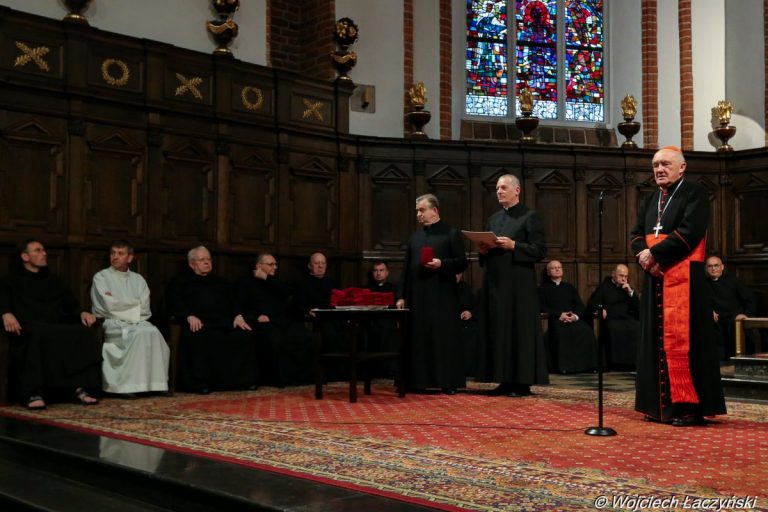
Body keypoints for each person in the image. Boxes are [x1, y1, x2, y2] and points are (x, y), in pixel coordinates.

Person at [630, 145, 726, 426]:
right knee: (654, 340)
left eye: (666, 164)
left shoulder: (695, 192)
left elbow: (689, 233)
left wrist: (654, 254)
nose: (659, 169)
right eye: (656, 165)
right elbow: (636, 234)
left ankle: (687, 408)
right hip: (655, 277)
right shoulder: (651, 198)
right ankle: (658, 407)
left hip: (685, 279)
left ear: (682, 167)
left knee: (688, 342)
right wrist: (645, 258)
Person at [0, 240, 101, 409]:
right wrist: (6, 313)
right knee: (37, 336)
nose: (44, 253)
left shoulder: (54, 281)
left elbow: (71, 305)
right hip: (27, 326)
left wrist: (82, 312)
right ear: (25, 256)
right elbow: (3, 303)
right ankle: (32, 392)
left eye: (44, 250)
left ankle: (78, 388)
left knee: (84, 333)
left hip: (55, 324)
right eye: (38, 250)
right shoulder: (9, 281)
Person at [476, 174, 548, 397]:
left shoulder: (530, 216)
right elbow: (485, 255)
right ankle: (504, 379)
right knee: (500, 330)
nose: (499, 191)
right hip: (496, 283)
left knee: (519, 331)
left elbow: (540, 250)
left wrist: (514, 245)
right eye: (497, 188)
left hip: (519, 285)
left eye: (504, 187)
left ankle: (522, 382)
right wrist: (483, 251)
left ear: (517, 190)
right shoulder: (493, 219)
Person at [396, 193, 467, 394]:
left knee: (443, 339)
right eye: (417, 211)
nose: (418, 214)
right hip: (416, 297)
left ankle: (447, 382)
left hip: (442, 296)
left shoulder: (451, 233)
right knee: (417, 339)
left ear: (434, 210)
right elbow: (405, 269)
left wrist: (441, 264)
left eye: (422, 210)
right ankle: (417, 381)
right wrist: (400, 296)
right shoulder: (415, 237)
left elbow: (462, 262)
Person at [167, 246, 257, 394]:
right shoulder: (181, 282)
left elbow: (233, 300)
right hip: (199, 323)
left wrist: (238, 315)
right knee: (199, 337)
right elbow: (174, 301)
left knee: (243, 334)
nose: (207, 262)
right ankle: (200, 383)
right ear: (192, 264)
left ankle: (241, 381)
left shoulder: (221, 282)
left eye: (208, 259)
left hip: (222, 322)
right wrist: (188, 315)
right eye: (202, 260)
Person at [91, 240, 170, 397]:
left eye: (120, 253)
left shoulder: (138, 280)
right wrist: (133, 305)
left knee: (153, 332)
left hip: (139, 321)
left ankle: (156, 384)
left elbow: (144, 308)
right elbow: (109, 306)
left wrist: (122, 304)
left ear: (130, 258)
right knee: (138, 334)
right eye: (113, 253)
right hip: (111, 323)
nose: (115, 257)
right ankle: (127, 386)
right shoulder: (101, 278)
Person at [237, 253, 315, 386]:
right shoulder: (245, 283)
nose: (275, 267)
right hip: (262, 323)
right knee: (277, 341)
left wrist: (266, 277)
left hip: (282, 321)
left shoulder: (274, 282)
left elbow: (286, 292)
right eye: (271, 264)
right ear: (258, 266)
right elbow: (240, 306)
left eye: (275, 264)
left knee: (309, 338)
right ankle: (281, 379)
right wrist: (256, 317)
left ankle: (303, 378)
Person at [538, 260, 597, 374]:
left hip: (572, 319)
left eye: (559, 267)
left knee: (586, 330)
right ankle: (564, 367)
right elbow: (541, 306)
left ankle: (589, 366)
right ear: (548, 272)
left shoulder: (569, 287)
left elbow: (579, 305)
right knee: (561, 333)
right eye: (554, 268)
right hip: (556, 319)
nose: (557, 269)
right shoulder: (543, 289)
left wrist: (575, 316)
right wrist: (559, 315)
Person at [586, 264, 641, 370]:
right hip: (611, 318)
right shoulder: (604, 288)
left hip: (626, 317)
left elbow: (638, 307)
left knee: (637, 327)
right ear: (613, 274)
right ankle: (616, 363)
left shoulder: (628, 288)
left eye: (626, 276)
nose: (624, 279)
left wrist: (630, 292)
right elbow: (592, 304)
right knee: (614, 328)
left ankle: (633, 362)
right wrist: (601, 309)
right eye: (621, 275)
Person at [705, 255, 758, 359]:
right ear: (706, 269)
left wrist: (745, 314)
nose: (713, 268)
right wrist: (708, 310)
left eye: (716, 265)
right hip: (717, 323)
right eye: (710, 266)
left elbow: (750, 299)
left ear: (722, 267)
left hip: (733, 320)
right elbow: (699, 301)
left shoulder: (733, 281)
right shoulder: (703, 284)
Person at [456, 273, 480, 377]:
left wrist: (471, 313)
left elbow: (475, 306)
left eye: (458, 274)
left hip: (466, 321)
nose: (456, 276)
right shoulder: (443, 287)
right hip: (448, 322)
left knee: (474, 331)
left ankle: (470, 370)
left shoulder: (465, 287)